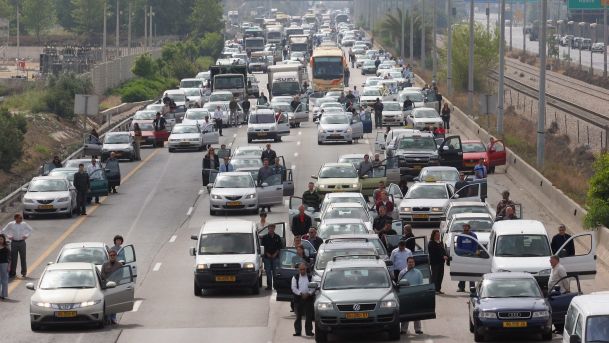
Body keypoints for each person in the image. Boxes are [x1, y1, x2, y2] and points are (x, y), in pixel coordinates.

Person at [397, 257, 424, 335]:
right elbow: (399, 284)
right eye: (409, 262)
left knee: (417, 313)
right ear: (407, 263)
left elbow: (421, 284)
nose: (411, 263)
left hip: (415, 295)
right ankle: (403, 330)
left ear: (414, 263)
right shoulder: (402, 273)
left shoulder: (418, 272)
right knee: (406, 313)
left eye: (412, 262)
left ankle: (418, 329)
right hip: (406, 295)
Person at [2, 214, 33, 278]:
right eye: (20, 218)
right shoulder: (11, 224)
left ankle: (24, 272)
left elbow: (30, 229)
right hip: (14, 242)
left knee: (23, 258)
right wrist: (9, 236)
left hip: (22, 242)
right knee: (13, 258)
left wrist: (26, 236)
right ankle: (13, 273)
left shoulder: (24, 224)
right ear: (15, 218)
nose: (21, 219)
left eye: (21, 218)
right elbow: (4, 231)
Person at [292, 262, 314, 337]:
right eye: (301, 269)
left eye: (303, 269)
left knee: (309, 316)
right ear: (299, 269)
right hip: (298, 298)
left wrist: (309, 293)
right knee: (298, 316)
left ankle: (309, 331)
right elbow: (293, 288)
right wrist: (300, 293)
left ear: (306, 269)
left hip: (308, 298)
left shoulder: (310, 277)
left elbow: (313, 287)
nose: (302, 271)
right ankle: (298, 331)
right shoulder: (295, 277)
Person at [101, 249, 123, 324]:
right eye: (111, 255)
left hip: (115, 287)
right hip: (107, 287)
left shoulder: (119, 265)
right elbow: (102, 275)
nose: (112, 257)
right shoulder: (105, 265)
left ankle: (113, 318)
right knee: (107, 303)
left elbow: (121, 275)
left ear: (116, 256)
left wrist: (116, 282)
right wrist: (107, 282)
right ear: (109, 256)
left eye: (114, 255)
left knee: (114, 302)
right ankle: (107, 318)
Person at [456, 224, 478, 292]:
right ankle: (461, 287)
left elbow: (475, 244)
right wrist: (461, 253)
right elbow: (458, 246)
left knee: (471, 272)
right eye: (464, 227)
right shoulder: (460, 236)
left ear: (469, 227)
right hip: (463, 256)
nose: (465, 228)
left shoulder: (473, 235)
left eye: (466, 226)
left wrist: (471, 252)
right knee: (462, 272)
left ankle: (472, 287)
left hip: (471, 256)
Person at [261, 224, 283, 290]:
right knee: (268, 272)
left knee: (275, 272)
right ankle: (269, 286)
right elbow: (263, 247)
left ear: (274, 229)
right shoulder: (264, 237)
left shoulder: (277, 237)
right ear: (268, 229)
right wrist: (267, 253)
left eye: (272, 228)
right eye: (270, 228)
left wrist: (275, 254)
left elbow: (280, 247)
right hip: (267, 257)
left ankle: (275, 285)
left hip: (275, 257)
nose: (271, 229)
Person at [428, 229, 448, 294]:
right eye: (436, 235)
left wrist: (446, 255)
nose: (438, 236)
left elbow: (443, 250)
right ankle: (433, 290)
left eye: (439, 235)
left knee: (440, 276)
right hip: (435, 263)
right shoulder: (431, 243)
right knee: (435, 276)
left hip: (441, 262)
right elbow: (434, 253)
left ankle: (438, 289)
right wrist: (442, 256)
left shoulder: (440, 242)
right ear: (433, 235)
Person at [0, 234, 8, 299]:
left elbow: (10, 258)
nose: (0, 240)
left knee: (4, 280)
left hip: (4, 264)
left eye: (1, 239)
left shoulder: (6, 248)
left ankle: (4, 295)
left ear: (4, 240)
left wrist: (9, 266)